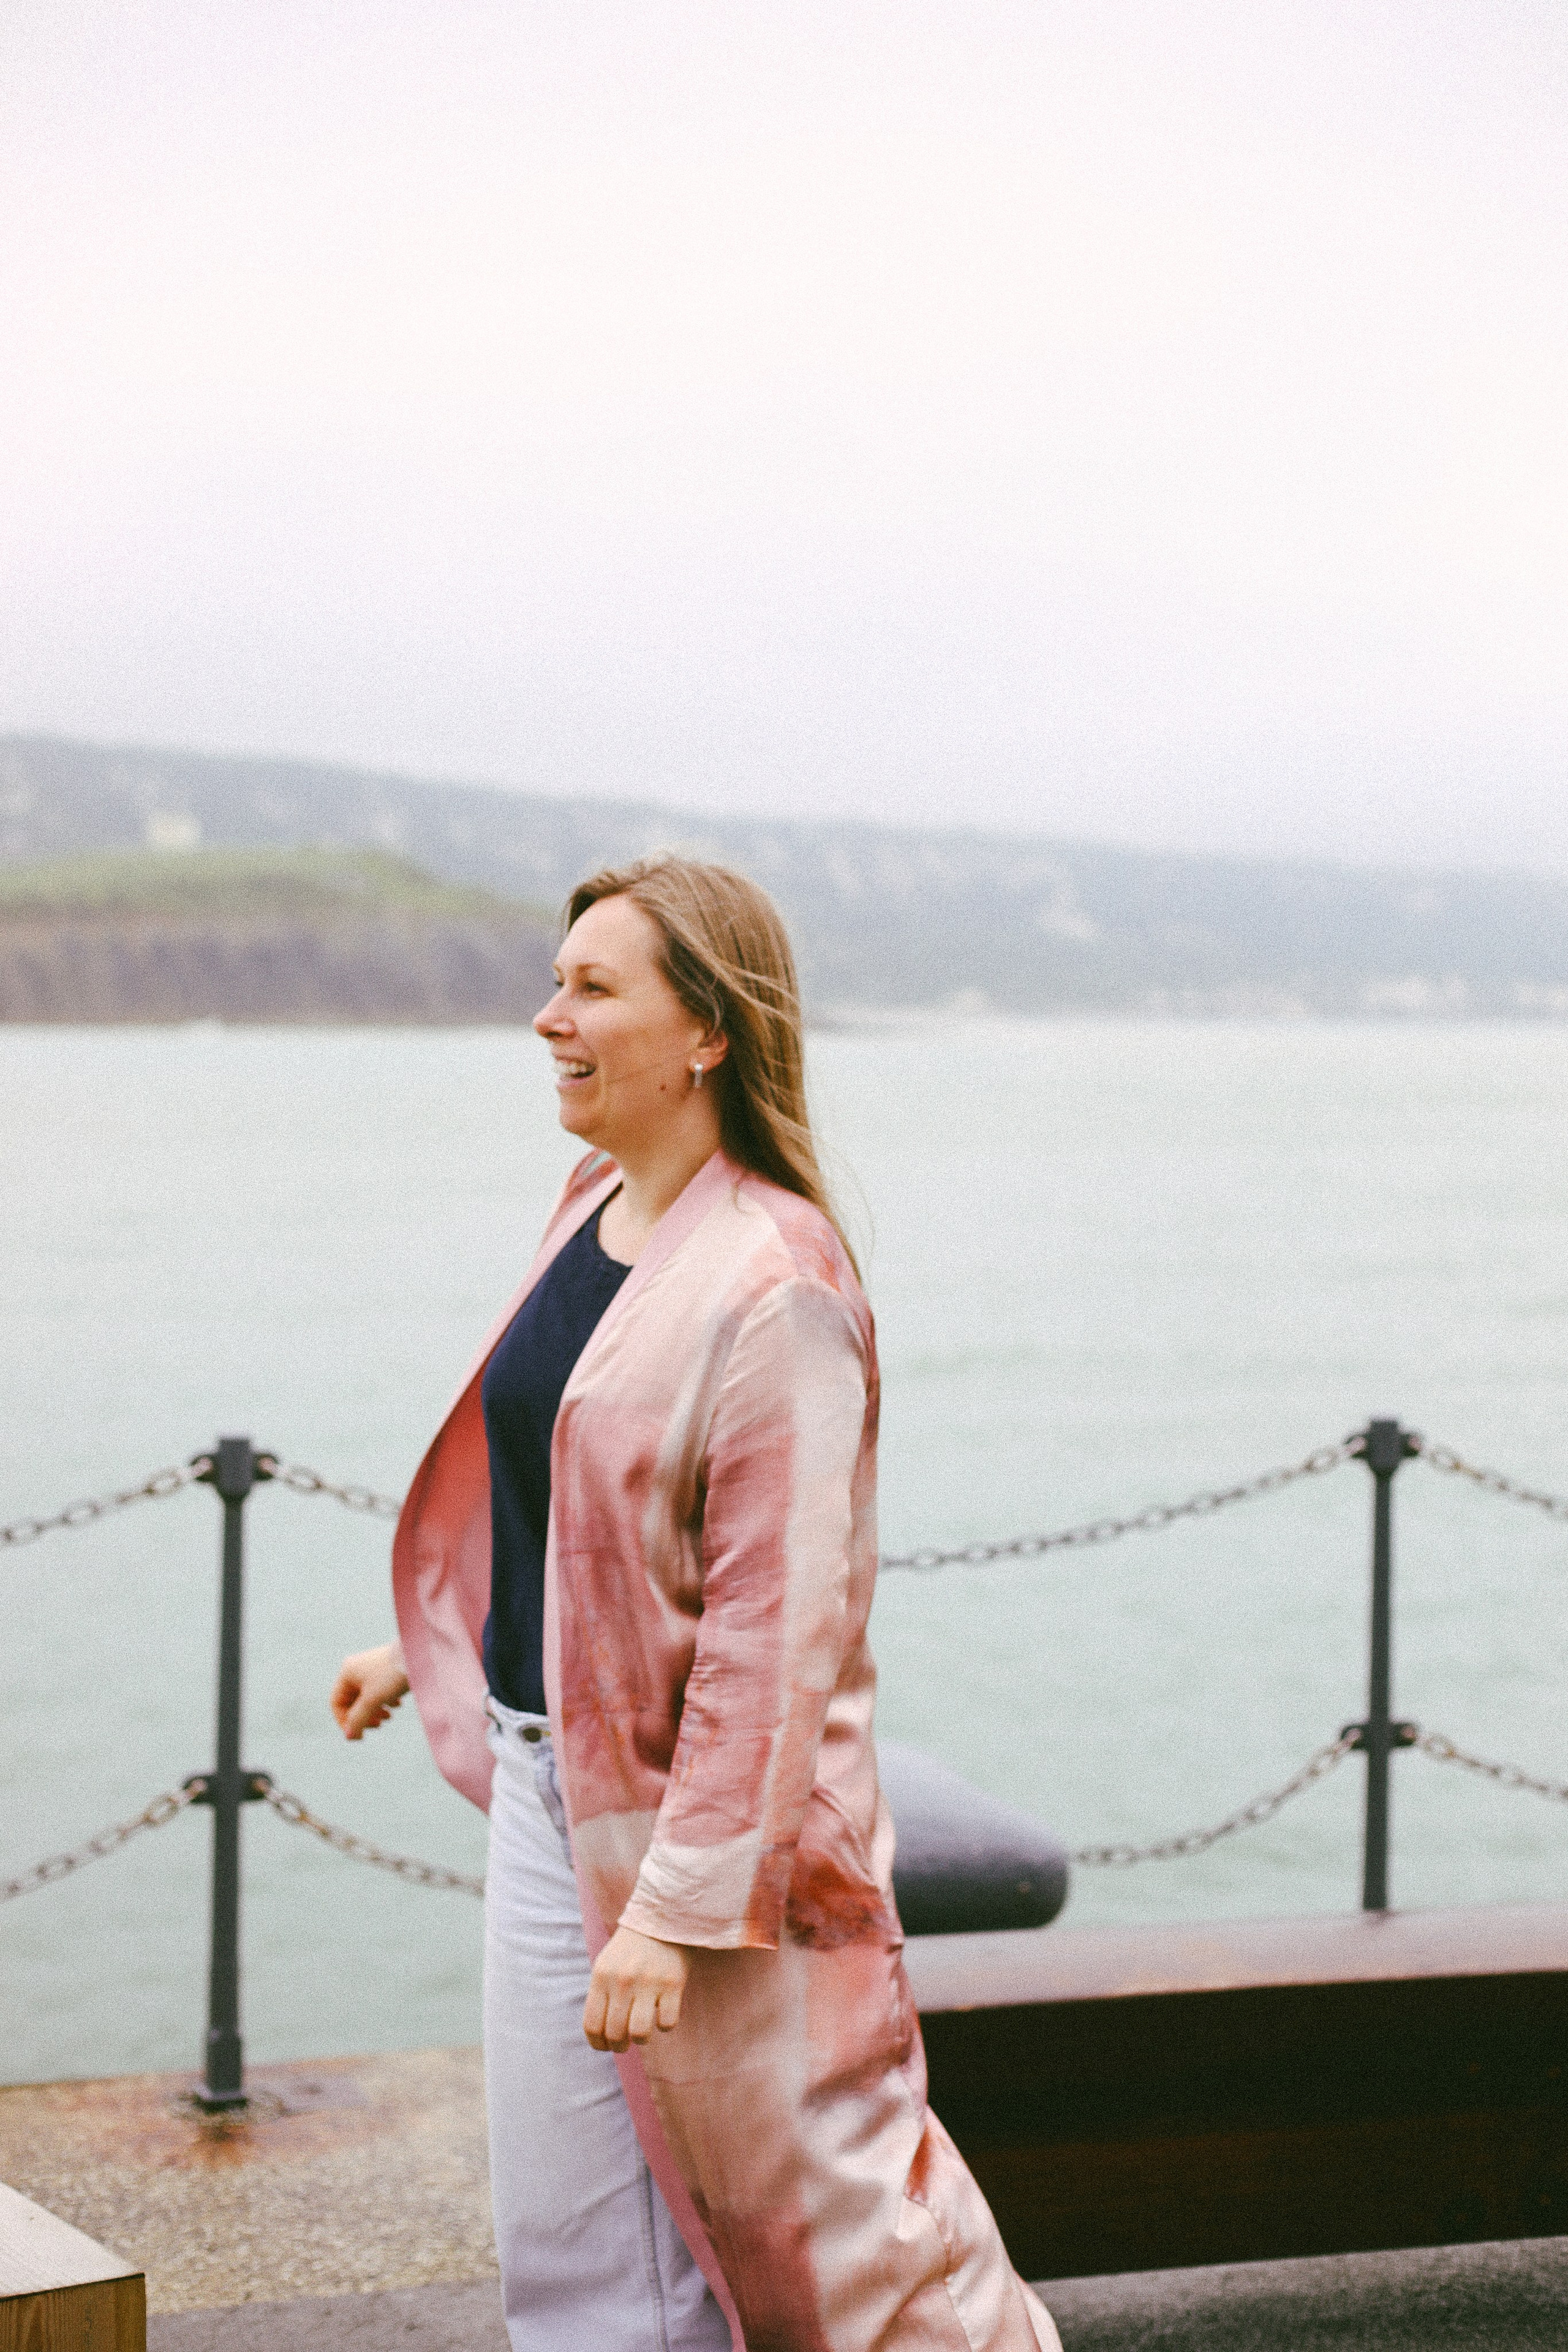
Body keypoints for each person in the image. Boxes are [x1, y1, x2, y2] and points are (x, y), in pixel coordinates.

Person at [331, 857, 1060, 2352]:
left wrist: (670, 1915)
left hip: (697, 1841)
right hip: (554, 1791)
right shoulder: (595, 1201)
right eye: (557, 981)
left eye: (593, 988)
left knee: (797, 2233)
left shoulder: (774, 1286)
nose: (548, 1018)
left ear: (708, 1031)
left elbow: (770, 1635)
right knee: (571, 2220)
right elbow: (569, 1486)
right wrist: (437, 1643)